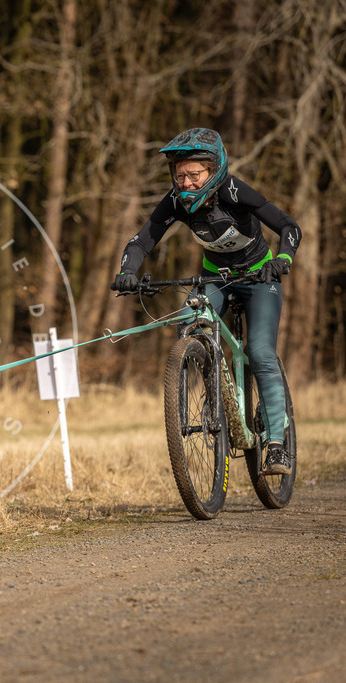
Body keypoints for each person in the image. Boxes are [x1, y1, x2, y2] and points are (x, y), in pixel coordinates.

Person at [113, 127, 302, 475]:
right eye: (180, 174)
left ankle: (276, 445)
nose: (185, 182)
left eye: (194, 175)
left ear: (214, 171)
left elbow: (289, 226)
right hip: (214, 278)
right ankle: (215, 393)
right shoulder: (175, 201)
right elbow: (141, 242)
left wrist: (282, 261)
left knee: (260, 352)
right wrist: (128, 271)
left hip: (258, 280)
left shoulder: (234, 192)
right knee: (188, 320)